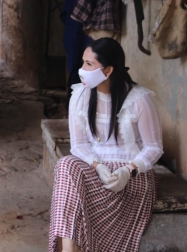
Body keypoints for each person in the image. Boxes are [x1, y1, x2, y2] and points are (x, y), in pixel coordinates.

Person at [49, 38, 163, 252]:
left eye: (89, 64)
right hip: (96, 172)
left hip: (132, 177)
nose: (82, 69)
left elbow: (154, 148)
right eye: (83, 62)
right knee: (66, 166)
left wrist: (128, 172)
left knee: (73, 192)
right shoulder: (80, 96)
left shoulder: (139, 99)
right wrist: (97, 166)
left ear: (108, 70)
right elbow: (79, 145)